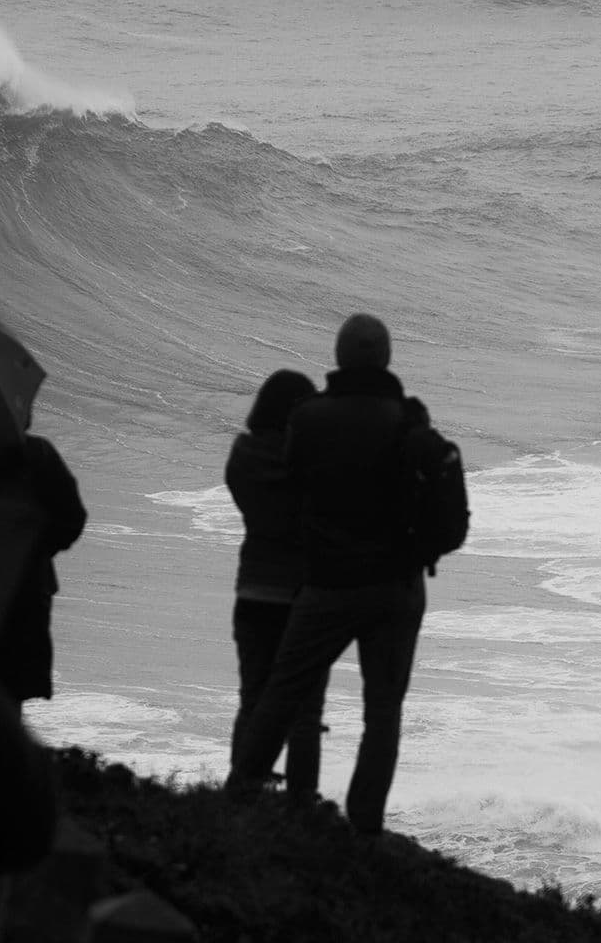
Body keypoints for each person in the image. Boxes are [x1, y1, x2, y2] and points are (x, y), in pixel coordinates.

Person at [227, 313, 468, 835]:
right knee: (382, 712)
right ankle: (364, 828)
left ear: (338, 359)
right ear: (384, 359)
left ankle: (240, 794)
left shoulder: (310, 419)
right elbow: (444, 518)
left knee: (283, 692)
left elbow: (293, 485)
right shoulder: (408, 421)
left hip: (327, 583)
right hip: (397, 586)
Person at [225, 369, 327, 801]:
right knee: (304, 708)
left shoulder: (242, 456)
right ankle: (301, 799)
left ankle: (243, 785)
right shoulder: (307, 463)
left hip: (252, 591)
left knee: (253, 698)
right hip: (302, 596)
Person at [0, 430, 88, 707]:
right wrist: (33, 550)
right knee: (9, 694)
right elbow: (72, 519)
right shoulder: (34, 453)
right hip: (23, 592)